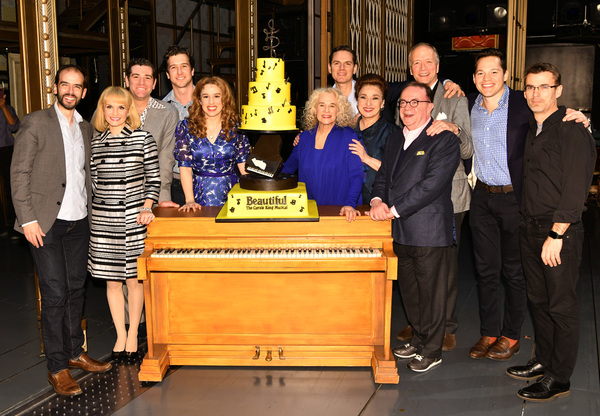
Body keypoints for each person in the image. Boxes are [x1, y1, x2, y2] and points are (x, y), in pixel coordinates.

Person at [467, 48, 591, 362]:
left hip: (515, 199)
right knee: (486, 271)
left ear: (506, 75)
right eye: (481, 72)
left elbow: (554, 114)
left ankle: (511, 335)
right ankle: (489, 331)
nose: (487, 78)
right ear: (473, 78)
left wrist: (581, 118)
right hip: (481, 197)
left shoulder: (523, 104)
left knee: (515, 272)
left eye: (494, 71)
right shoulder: (468, 105)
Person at [10, 65, 111, 397]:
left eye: (77, 86)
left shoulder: (85, 127)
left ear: (84, 93)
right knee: (54, 296)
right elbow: (19, 173)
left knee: (76, 290)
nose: (70, 90)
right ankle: (57, 367)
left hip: (79, 221)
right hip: (44, 225)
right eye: (64, 84)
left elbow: (85, 176)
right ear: (55, 88)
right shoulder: (36, 122)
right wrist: (27, 220)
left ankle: (73, 351)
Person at [505, 63, 595, 402]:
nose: (535, 93)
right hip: (528, 228)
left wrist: (556, 235)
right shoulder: (532, 127)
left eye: (544, 87)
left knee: (561, 305)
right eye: (530, 87)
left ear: (558, 90)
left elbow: (575, 189)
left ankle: (560, 377)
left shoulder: (572, 130)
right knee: (539, 301)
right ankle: (543, 359)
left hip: (558, 232)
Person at [368, 82, 459, 373]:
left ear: (430, 106)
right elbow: (383, 175)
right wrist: (377, 199)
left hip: (429, 229)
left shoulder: (443, 139)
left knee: (431, 294)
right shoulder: (396, 138)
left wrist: (393, 210)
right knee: (410, 291)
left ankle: (432, 350)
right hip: (398, 230)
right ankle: (419, 340)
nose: (407, 108)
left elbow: (432, 186)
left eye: (415, 103)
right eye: (403, 103)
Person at [395, 43, 473, 352]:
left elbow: (467, 150)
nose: (423, 67)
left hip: (450, 194)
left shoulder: (454, 96)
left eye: (429, 61)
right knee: (415, 264)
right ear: (410, 68)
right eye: (417, 63)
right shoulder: (404, 98)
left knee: (445, 266)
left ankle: (447, 325)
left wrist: (452, 127)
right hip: (414, 196)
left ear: (438, 67)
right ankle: (422, 323)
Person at [89, 86, 160, 359]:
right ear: (102, 111)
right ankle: (119, 334)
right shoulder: (96, 142)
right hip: (104, 220)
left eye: (121, 107)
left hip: (133, 219)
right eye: (109, 107)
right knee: (111, 282)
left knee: (133, 280)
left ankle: (133, 334)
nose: (115, 113)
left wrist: (146, 207)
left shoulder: (143, 138)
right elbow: (94, 182)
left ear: (129, 110)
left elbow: (153, 180)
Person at [282, 87, 364, 222]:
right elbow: (287, 170)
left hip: (342, 213)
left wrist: (350, 204)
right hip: (310, 212)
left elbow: (356, 176)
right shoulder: (304, 138)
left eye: (332, 106)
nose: (326, 110)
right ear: (314, 109)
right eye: (322, 105)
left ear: (339, 111)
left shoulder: (348, 136)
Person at [175, 76, 250, 210]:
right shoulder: (186, 127)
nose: (211, 102)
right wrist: (190, 200)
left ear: (225, 99)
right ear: (199, 99)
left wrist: (254, 195)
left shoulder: (237, 128)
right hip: (198, 198)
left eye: (216, 96)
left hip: (232, 198)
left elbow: (243, 167)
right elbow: (185, 166)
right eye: (205, 96)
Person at [125, 58, 179, 207]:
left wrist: (163, 196)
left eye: (147, 78)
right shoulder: (110, 108)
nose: (141, 83)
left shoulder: (168, 112)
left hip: (151, 196)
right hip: (115, 195)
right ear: (127, 81)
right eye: (136, 77)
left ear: (154, 83)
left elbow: (166, 158)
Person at [349, 74, 399, 203]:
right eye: (363, 97)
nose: (368, 103)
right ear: (357, 100)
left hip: (379, 202)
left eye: (375, 98)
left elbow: (398, 172)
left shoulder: (393, 133)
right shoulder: (348, 131)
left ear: (382, 103)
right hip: (349, 200)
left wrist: (366, 158)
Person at [161, 45, 195, 206]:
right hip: (174, 186)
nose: (179, 72)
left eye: (184, 66)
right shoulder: (159, 108)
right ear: (167, 75)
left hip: (208, 182)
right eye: (174, 68)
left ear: (193, 70)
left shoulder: (211, 103)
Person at [0, 86, 19, 236]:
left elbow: (14, 126)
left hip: (6, 150)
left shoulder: (8, 108)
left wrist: (3, 107)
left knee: (10, 187)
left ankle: (13, 227)